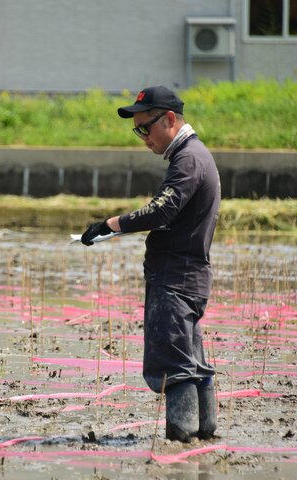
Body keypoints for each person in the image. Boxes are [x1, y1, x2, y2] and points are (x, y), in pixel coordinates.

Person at [80, 86, 221, 442]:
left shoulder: (188, 160)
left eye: (146, 128)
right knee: (190, 358)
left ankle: (181, 437)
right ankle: (204, 432)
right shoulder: (193, 156)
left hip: (175, 279)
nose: (143, 137)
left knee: (174, 363)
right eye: (137, 131)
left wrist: (110, 225)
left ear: (169, 119)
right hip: (188, 277)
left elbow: (161, 210)